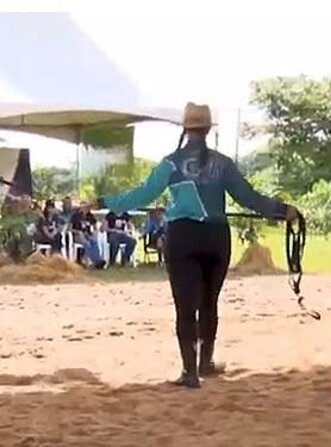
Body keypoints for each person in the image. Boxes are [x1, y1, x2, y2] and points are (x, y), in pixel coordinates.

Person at [96, 103, 296, 389]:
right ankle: (207, 362)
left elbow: (141, 195)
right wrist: (281, 210)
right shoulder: (223, 164)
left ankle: (190, 371)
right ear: (208, 129)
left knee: (185, 306)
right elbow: (249, 197)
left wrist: (105, 202)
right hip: (216, 237)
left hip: (182, 237)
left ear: (185, 128)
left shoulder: (170, 163)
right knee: (209, 302)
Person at [69, 201, 105, 268]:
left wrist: (95, 232)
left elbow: (95, 227)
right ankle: (95, 262)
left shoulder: (90, 216)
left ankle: (98, 259)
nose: (85, 209)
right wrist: (79, 232)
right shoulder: (75, 216)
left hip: (88, 235)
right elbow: (70, 229)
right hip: (78, 235)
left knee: (94, 242)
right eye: (83, 207)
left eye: (86, 207)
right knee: (87, 243)